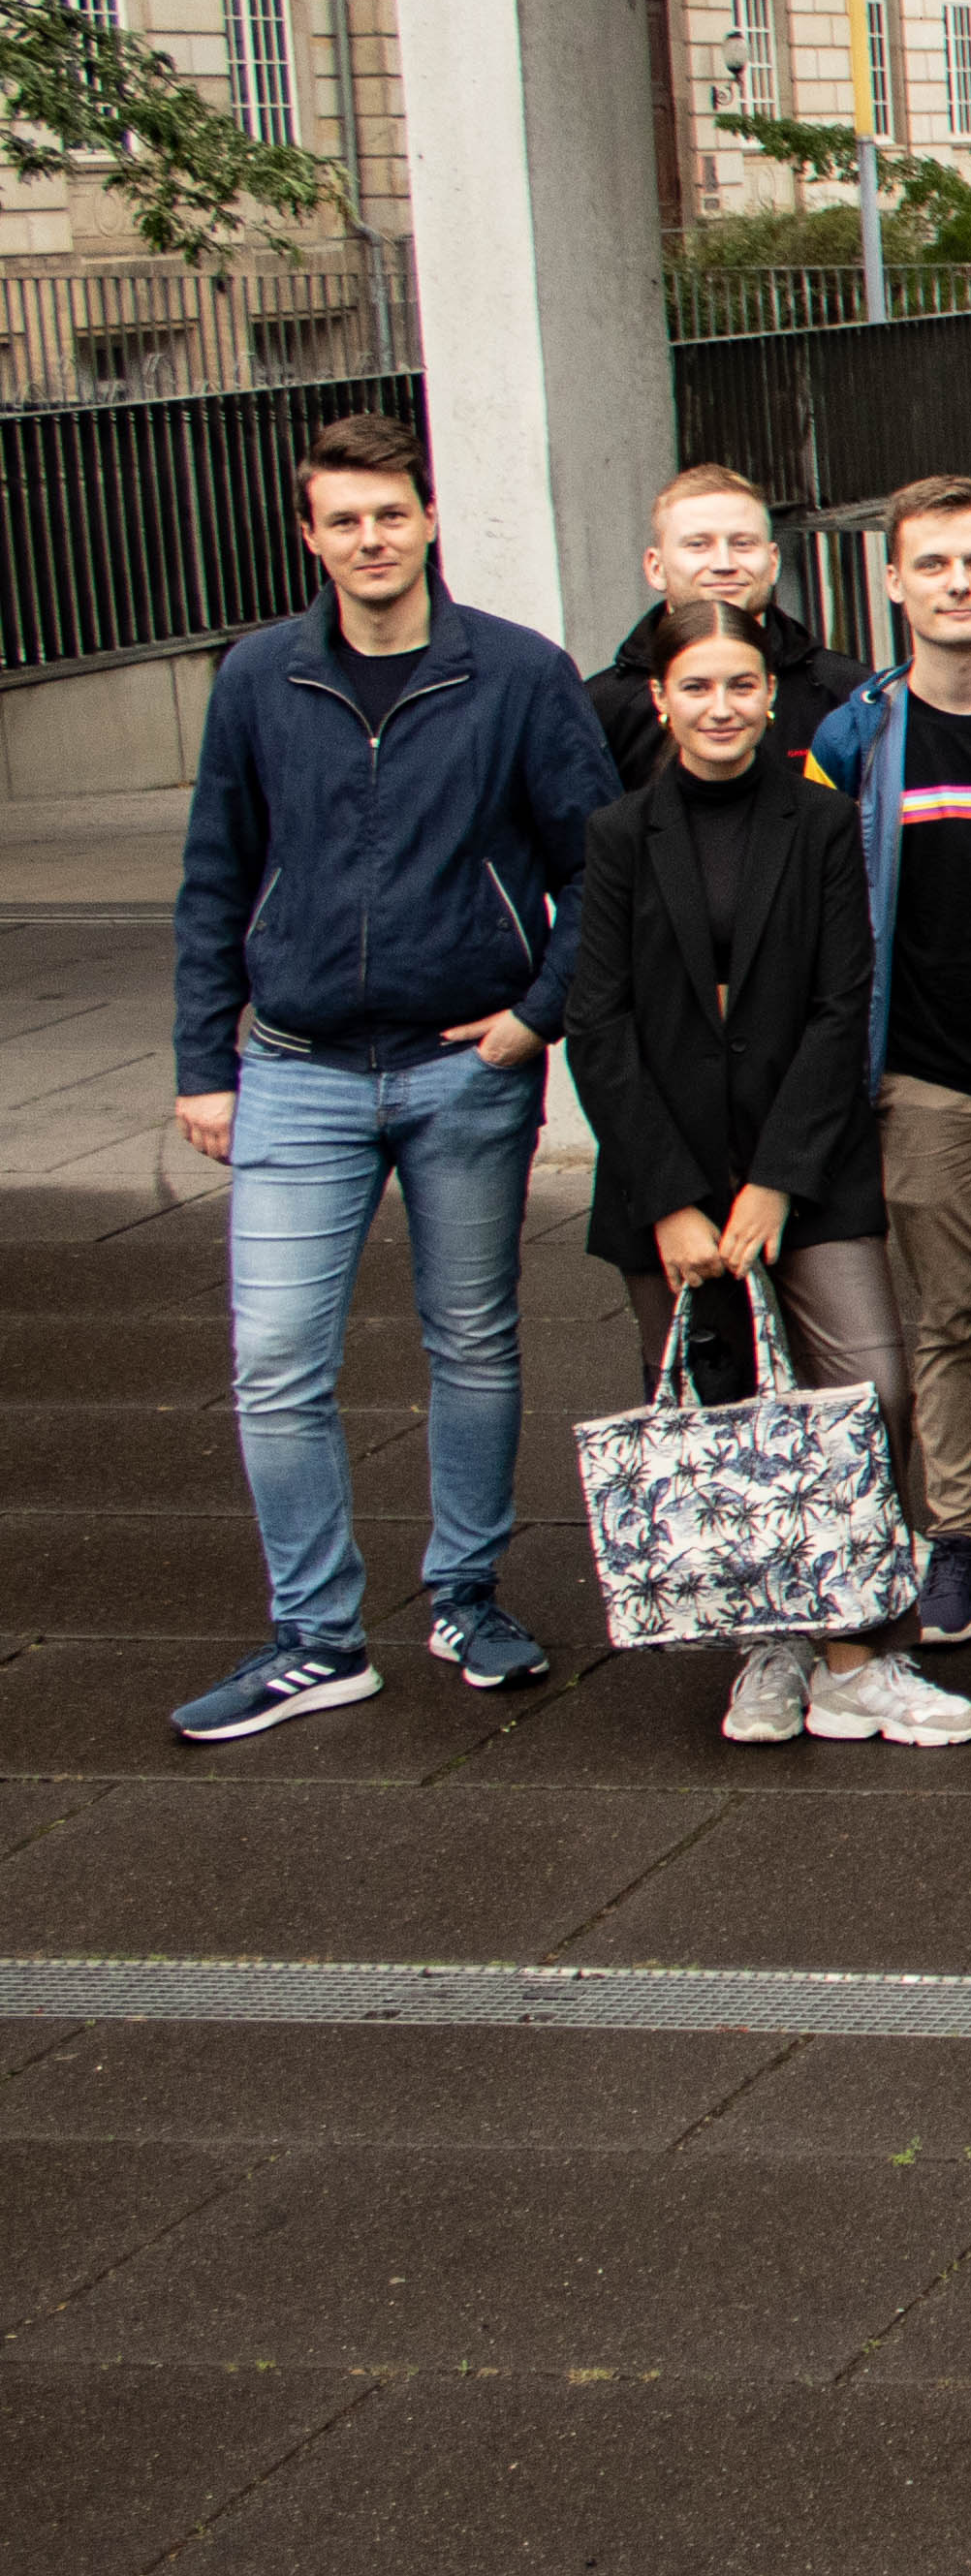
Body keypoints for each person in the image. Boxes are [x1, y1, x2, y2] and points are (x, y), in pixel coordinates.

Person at [168, 413, 616, 1740]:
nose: (371, 539)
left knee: (470, 1338)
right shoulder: (260, 677)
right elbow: (214, 874)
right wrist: (202, 1061)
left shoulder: (518, 673)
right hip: (295, 1069)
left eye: (391, 514)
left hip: (460, 1068)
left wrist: (535, 1016)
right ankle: (316, 1636)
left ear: (429, 522)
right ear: (310, 537)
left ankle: (465, 1596)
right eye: (344, 520)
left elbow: (601, 866)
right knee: (275, 1358)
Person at [566, 601, 971, 1746]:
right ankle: (772, 1641)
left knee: (870, 1388)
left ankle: (861, 1652)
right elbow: (597, 1021)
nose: (721, 706)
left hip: (805, 1159)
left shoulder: (818, 819)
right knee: (724, 1408)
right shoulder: (618, 833)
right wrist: (670, 1196)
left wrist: (775, 1182)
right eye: (697, 686)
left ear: (769, 695)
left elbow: (842, 1003)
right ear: (660, 698)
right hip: (666, 1168)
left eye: (741, 684)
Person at [800, 477, 971, 1647]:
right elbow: (824, 899)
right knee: (952, 1320)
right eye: (934, 564)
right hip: (927, 1073)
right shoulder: (856, 734)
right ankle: (956, 1535)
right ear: (895, 582)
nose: (958, 583)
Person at [583, 461, 864, 789]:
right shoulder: (602, 709)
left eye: (742, 543)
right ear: (656, 568)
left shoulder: (846, 693)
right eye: (698, 544)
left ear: (773, 562)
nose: (724, 564)